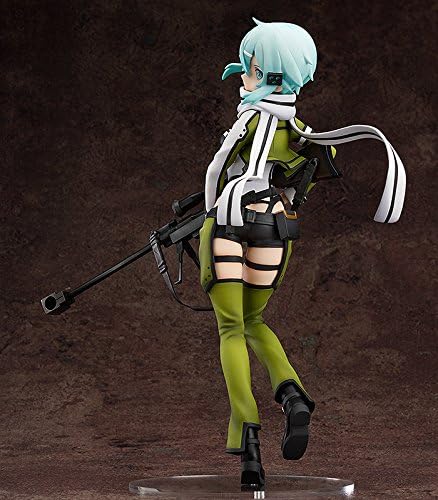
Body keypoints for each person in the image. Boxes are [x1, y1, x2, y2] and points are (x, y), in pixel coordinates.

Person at [198, 18, 406, 490]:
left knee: (231, 328)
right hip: (275, 228)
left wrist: (212, 213)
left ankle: (249, 443)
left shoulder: (250, 119)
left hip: (230, 222)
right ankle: (293, 395)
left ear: (264, 72)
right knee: (255, 321)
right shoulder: (299, 129)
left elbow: (216, 170)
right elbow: (308, 173)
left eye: (249, 67)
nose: (244, 76)